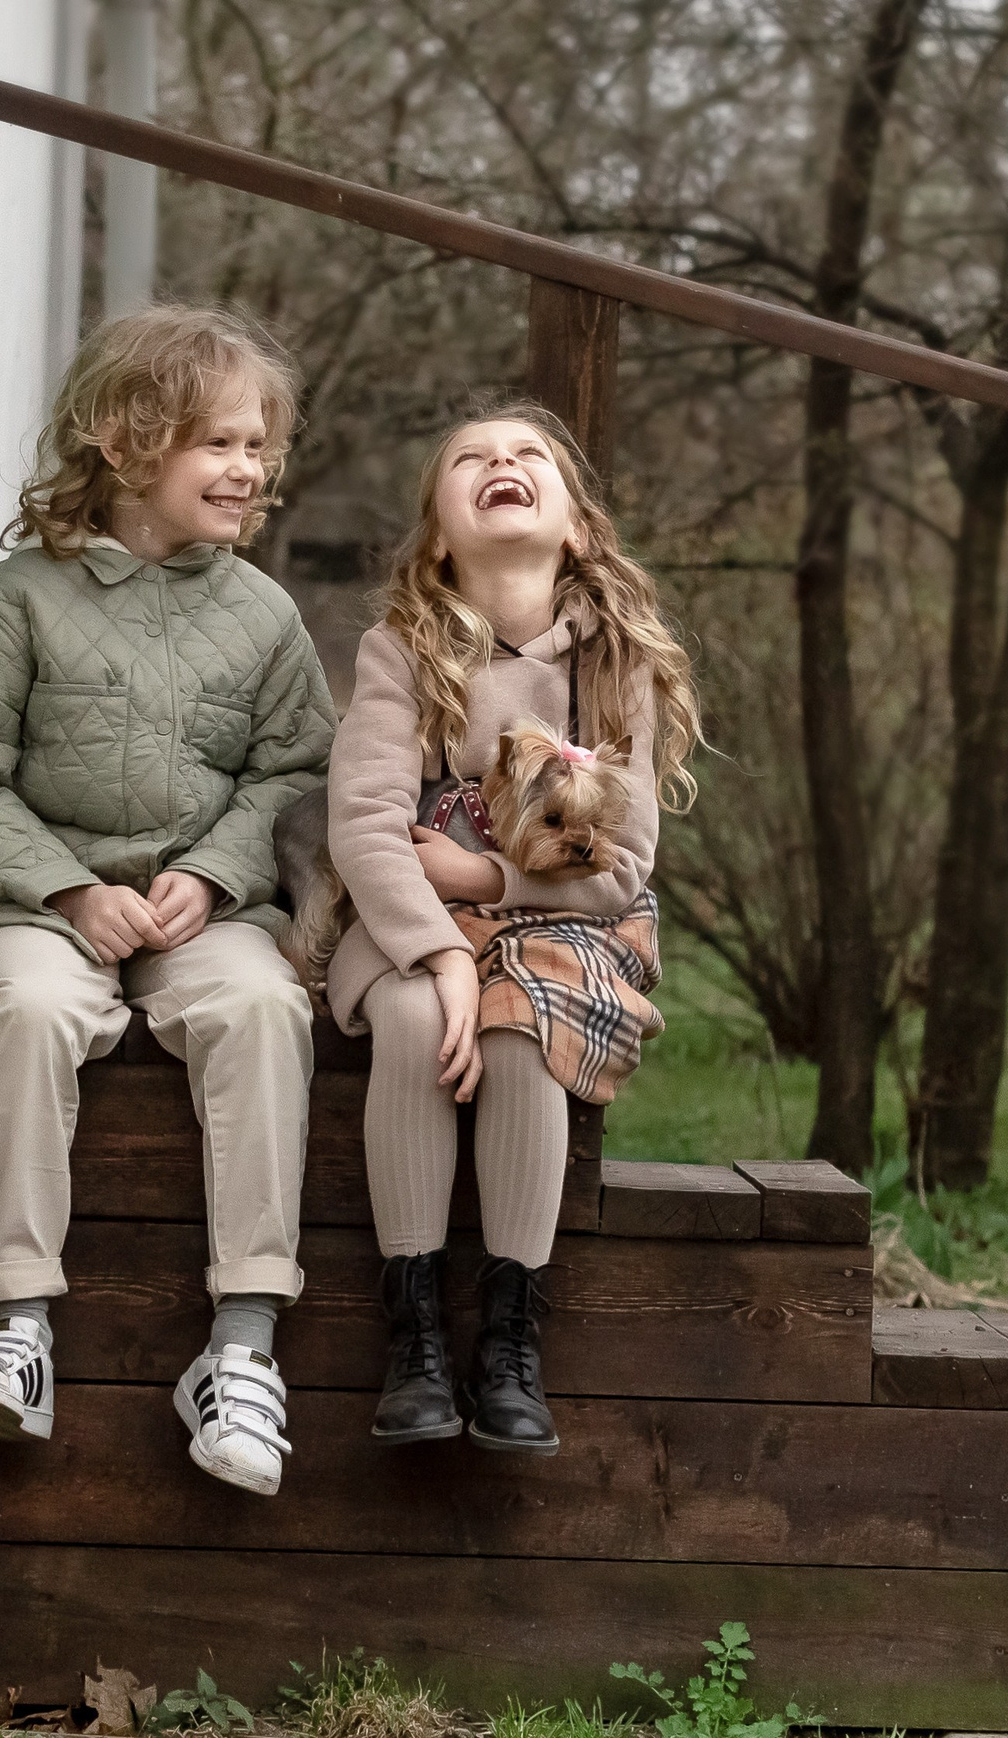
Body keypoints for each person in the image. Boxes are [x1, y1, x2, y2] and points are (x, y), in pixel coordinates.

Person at [0, 304, 334, 1497]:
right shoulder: (12, 605)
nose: (247, 468)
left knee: (263, 1012)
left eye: (257, 446)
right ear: (121, 439)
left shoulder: (262, 615)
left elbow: (294, 770)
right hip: (37, 905)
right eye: (217, 443)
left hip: (204, 914)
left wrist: (211, 873)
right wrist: (58, 882)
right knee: (28, 1013)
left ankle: (243, 1346)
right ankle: (17, 1324)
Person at [325, 404, 698, 1454]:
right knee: (414, 1018)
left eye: (528, 455)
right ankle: (415, 1332)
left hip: (570, 923)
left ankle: (509, 1332)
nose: (503, 463)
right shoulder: (403, 649)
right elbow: (364, 821)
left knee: (518, 1024)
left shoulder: (610, 664)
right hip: (413, 918)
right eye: (472, 459)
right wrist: (442, 946)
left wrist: (488, 873)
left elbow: (620, 865)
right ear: (439, 535)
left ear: (574, 526)